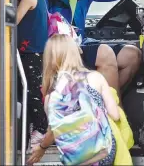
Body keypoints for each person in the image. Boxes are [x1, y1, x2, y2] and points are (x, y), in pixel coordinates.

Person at [27, 34, 120, 165]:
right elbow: (115, 116)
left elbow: (55, 130)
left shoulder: (54, 93)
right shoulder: (97, 77)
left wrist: (42, 148)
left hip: (78, 156)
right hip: (104, 151)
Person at [16, 0, 49, 148]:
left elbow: (13, 20)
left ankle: (41, 129)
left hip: (30, 53)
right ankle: (35, 129)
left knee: (32, 92)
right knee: (31, 90)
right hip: (34, 51)